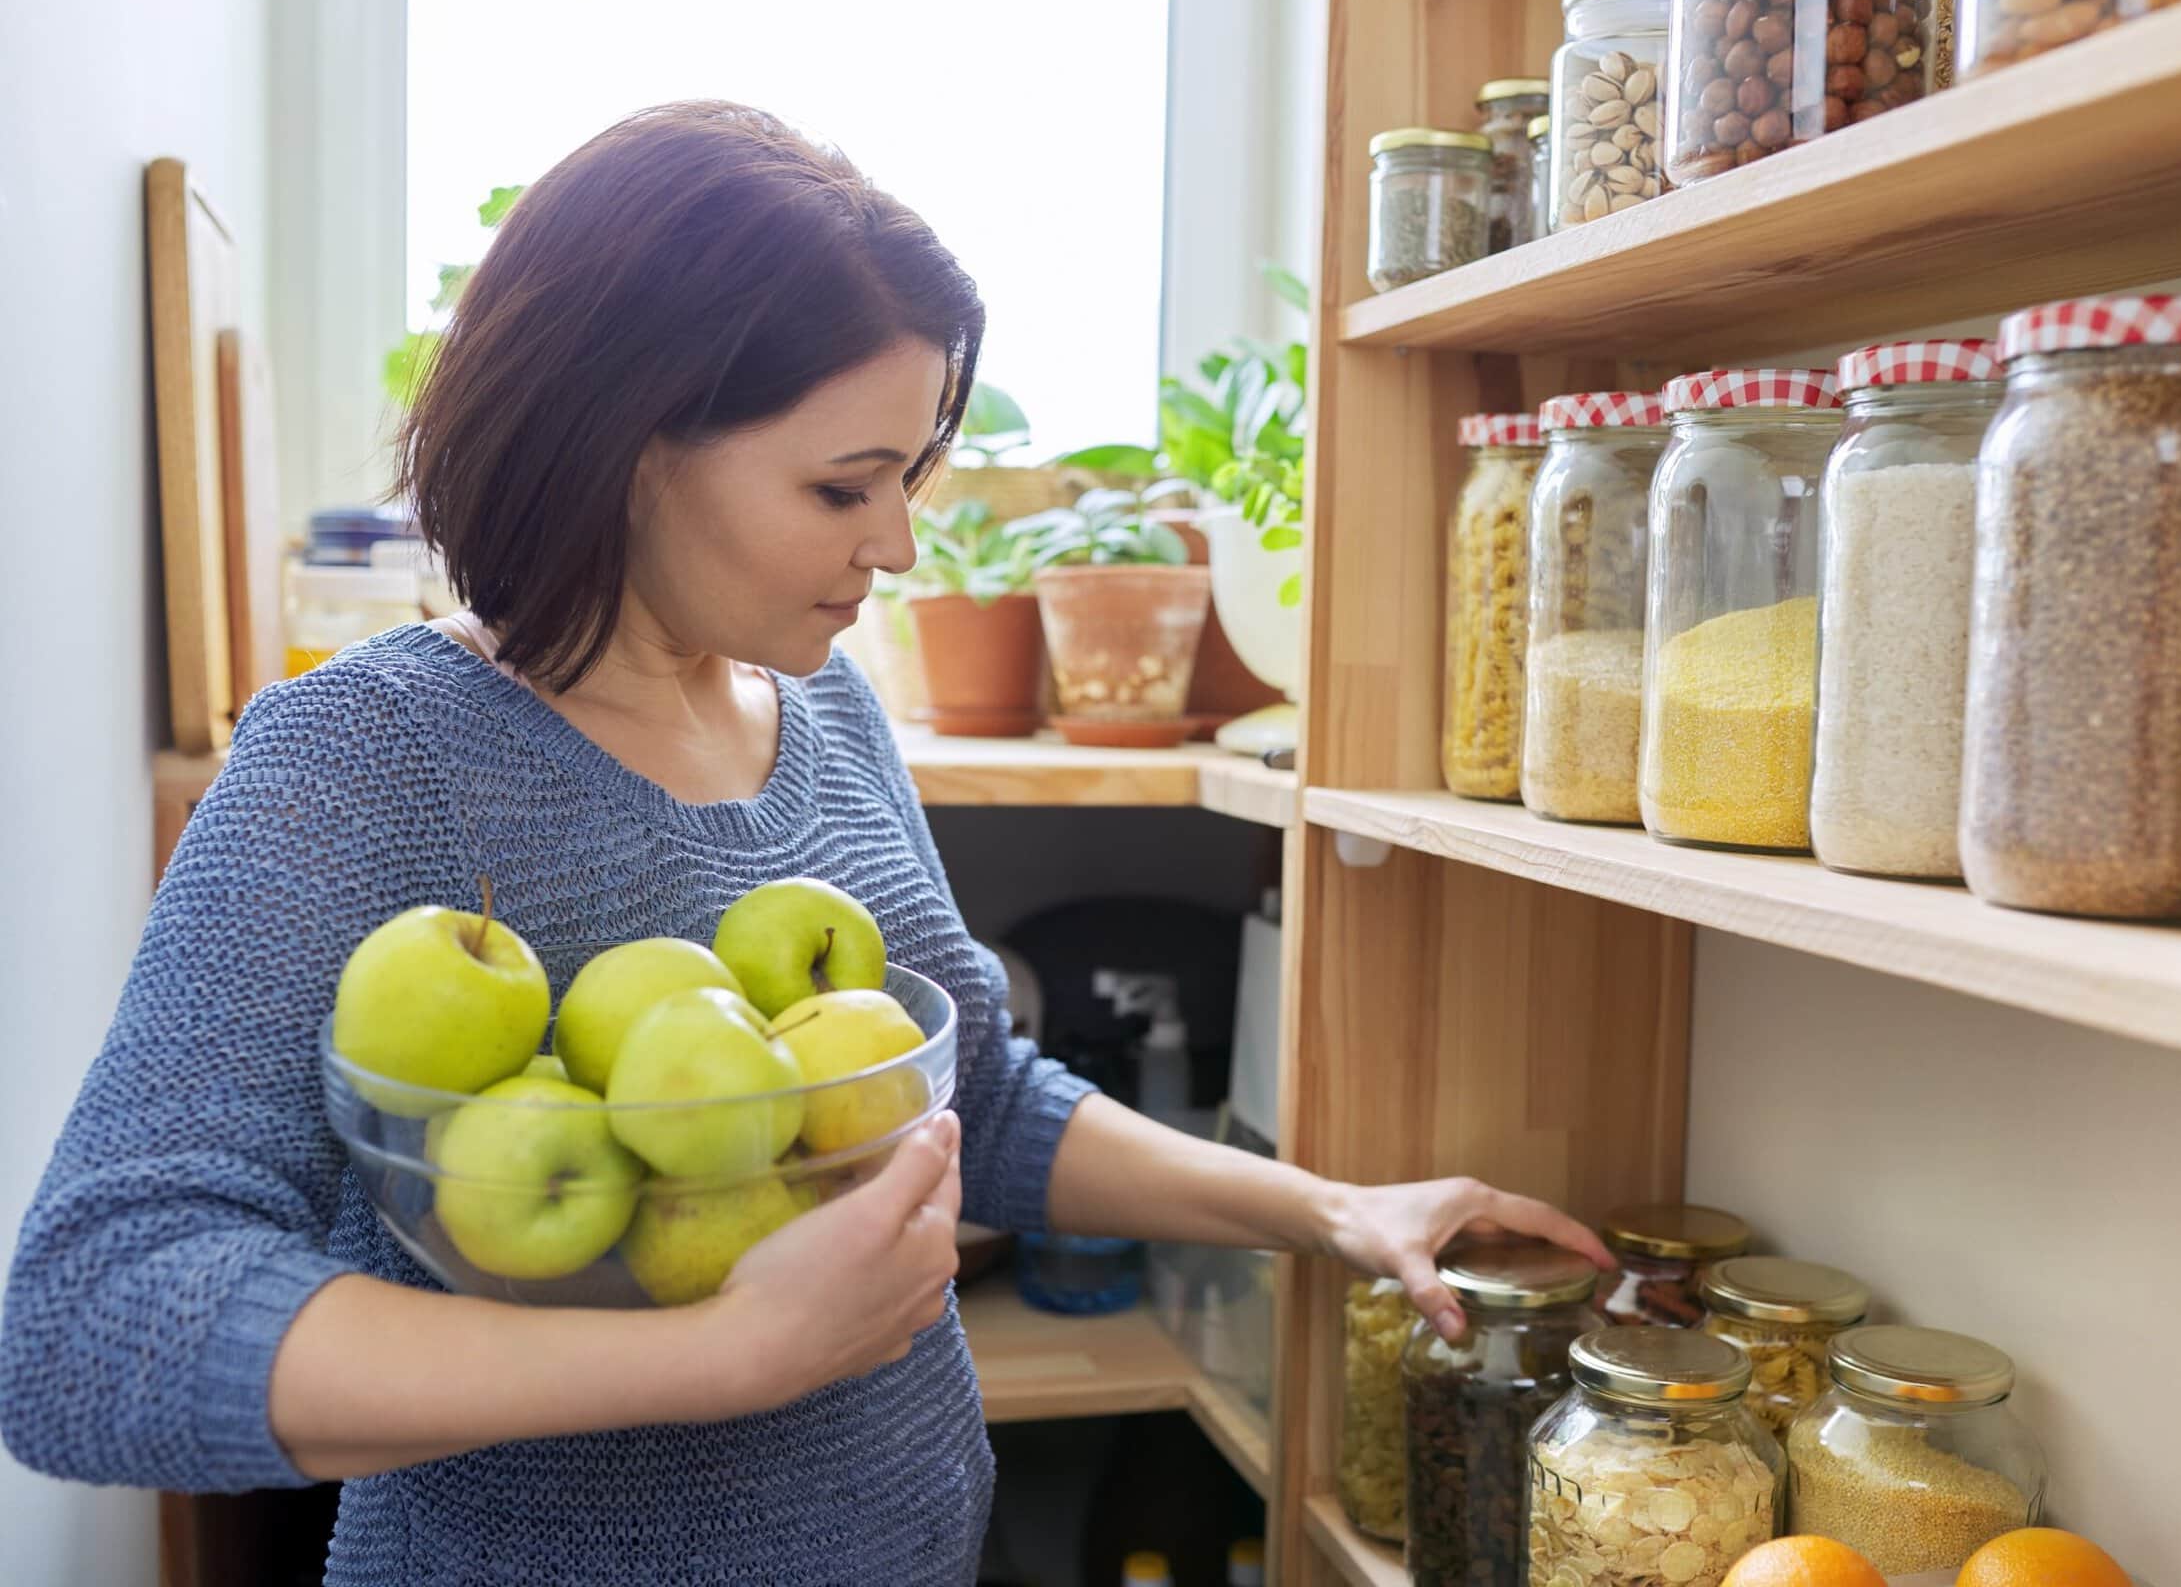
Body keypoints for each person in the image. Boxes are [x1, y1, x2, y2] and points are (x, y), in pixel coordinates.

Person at [0, 102, 1605, 1584]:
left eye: (911, 475)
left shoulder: (825, 719)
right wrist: (717, 1356)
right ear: (625, 444)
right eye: (843, 485)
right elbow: (90, 1328)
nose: (897, 545)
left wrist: (1334, 1210)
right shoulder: (365, 759)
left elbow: (971, 1081)